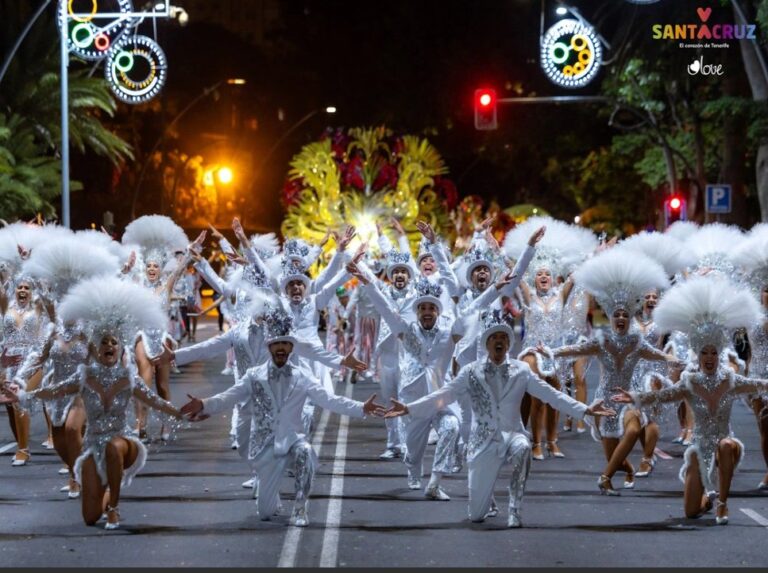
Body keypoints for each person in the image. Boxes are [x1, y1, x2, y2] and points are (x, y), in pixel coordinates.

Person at [385, 309, 614, 527]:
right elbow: (442, 396)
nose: (499, 341)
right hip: (483, 441)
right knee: (476, 516)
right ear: (486, 344)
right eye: (494, 337)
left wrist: (585, 410)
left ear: (508, 344)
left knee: (524, 447)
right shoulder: (471, 372)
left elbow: (552, 396)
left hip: (512, 434)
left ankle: (514, 509)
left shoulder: (522, 370)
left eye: (503, 337)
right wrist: (409, 408)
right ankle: (487, 493)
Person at [2, 277, 184, 530]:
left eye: (113, 344)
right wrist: (21, 393)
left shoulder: (120, 372)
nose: (108, 346)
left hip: (118, 438)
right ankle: (97, 490)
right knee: (88, 516)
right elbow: (48, 383)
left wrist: (184, 413)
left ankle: (114, 507)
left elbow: (155, 400)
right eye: (105, 343)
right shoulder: (72, 358)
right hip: (85, 432)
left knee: (85, 435)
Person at [179, 309, 386, 527]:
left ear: (291, 348)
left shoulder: (302, 376)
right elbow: (228, 397)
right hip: (264, 447)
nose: (280, 348)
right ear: (269, 347)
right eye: (276, 344)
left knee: (306, 452)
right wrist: (203, 404)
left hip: (291, 441)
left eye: (285, 344)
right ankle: (269, 492)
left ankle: (300, 506)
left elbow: (330, 400)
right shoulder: (254, 375)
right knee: (265, 514)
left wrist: (362, 407)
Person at [347, 252, 518, 500]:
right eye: (423, 308)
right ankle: (412, 466)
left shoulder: (450, 331)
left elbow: (472, 309)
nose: (427, 312)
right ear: (417, 311)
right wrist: (366, 281)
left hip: (440, 398)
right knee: (414, 453)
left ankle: (435, 482)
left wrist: (493, 289)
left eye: (431, 308)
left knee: (451, 426)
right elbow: (383, 305)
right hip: (413, 402)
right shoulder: (405, 330)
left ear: (437, 310)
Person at [612, 276, 768, 525]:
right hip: (699, 452)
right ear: (699, 354)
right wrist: (636, 397)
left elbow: (759, 384)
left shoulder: (730, 379)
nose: (709, 357)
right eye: (704, 352)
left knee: (726, 444)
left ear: (719, 355)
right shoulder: (690, 382)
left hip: (725, 447)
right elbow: (664, 396)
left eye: (713, 353)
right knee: (690, 512)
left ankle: (722, 504)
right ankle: (708, 501)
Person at [536, 249, 681, 495]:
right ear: (612, 318)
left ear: (629, 318)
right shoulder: (601, 342)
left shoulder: (637, 342)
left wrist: (678, 361)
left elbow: (659, 355)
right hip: (605, 402)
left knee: (634, 429)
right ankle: (624, 471)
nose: (621, 318)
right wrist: (549, 352)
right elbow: (574, 349)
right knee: (614, 455)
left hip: (629, 397)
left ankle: (604, 478)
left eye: (626, 314)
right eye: (617, 315)